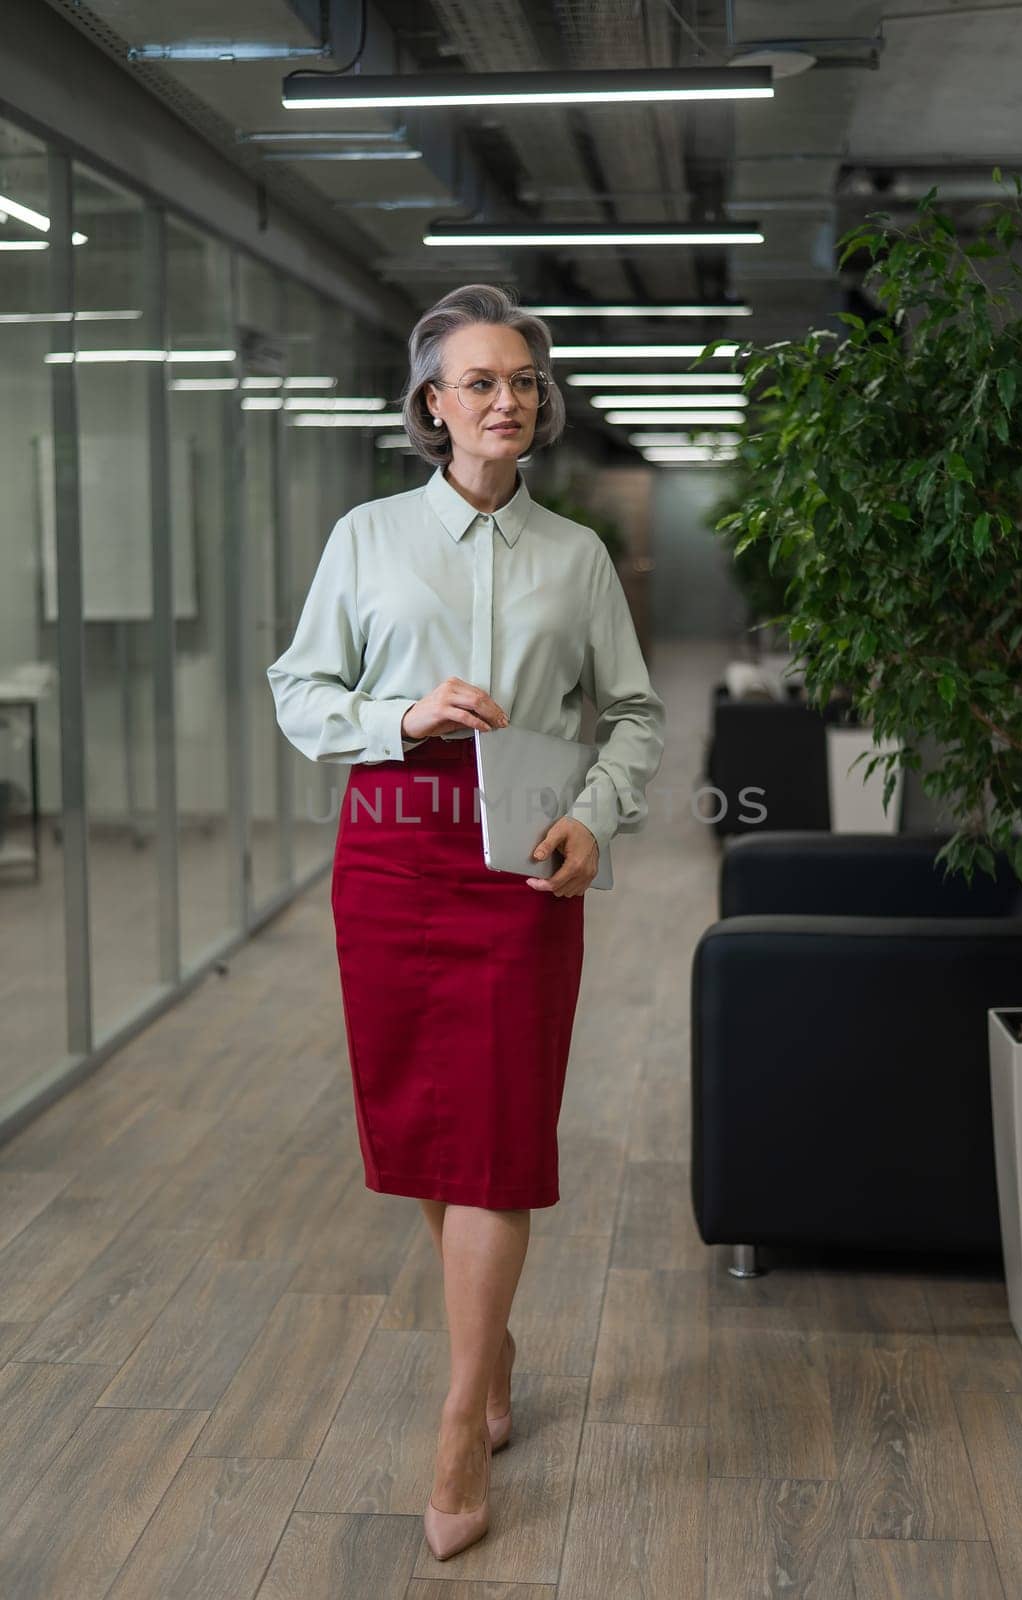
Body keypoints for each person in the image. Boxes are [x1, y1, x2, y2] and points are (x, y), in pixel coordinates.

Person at [266, 282, 666, 1561]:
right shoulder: (368, 537)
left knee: (493, 1131)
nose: (509, 402)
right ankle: (489, 1342)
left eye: (525, 383)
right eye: (482, 383)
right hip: (391, 850)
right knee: (427, 1127)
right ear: (432, 406)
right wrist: (400, 719)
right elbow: (299, 686)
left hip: (526, 853)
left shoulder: (577, 556)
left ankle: (457, 1417)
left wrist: (597, 818)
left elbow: (638, 715)